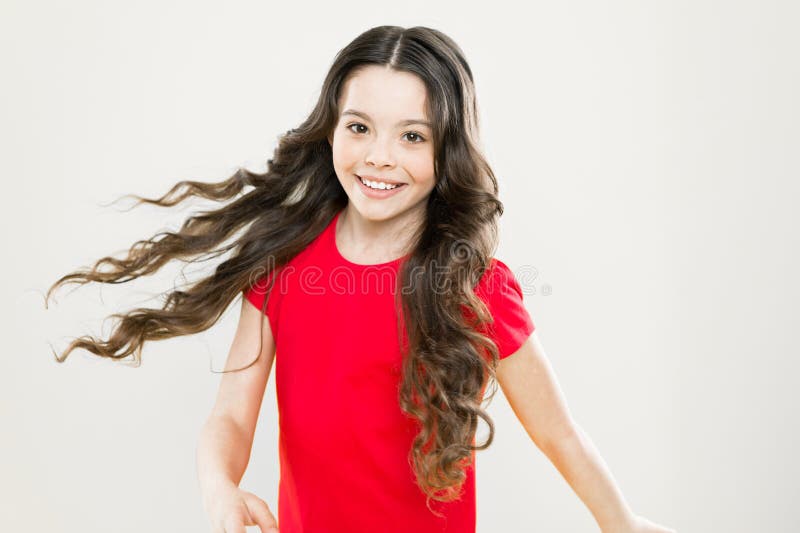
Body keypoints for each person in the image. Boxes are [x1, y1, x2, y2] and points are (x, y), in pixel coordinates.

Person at [46, 25, 675, 533]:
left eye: (411, 136)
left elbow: (558, 431)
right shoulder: (282, 268)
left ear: (445, 151)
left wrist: (622, 524)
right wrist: (220, 488)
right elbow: (232, 417)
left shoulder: (475, 287)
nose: (379, 156)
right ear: (331, 131)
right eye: (359, 127)